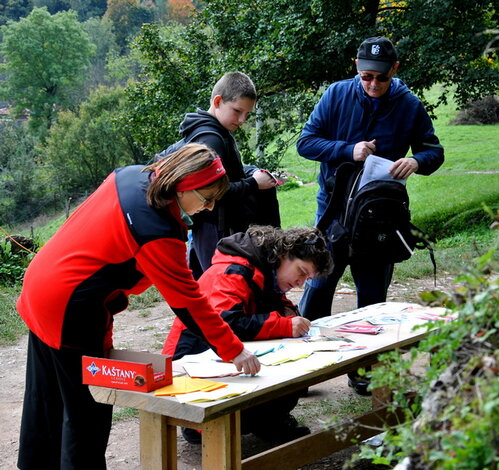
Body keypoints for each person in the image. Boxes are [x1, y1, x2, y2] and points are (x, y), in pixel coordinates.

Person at [16, 143, 261, 470]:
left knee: (44, 396)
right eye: (207, 198)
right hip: (69, 309)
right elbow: (189, 302)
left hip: (41, 284)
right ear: (183, 185)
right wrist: (234, 350)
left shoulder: (131, 176)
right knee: (88, 408)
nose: (210, 207)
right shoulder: (157, 230)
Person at [297, 36, 444, 394]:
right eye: (366, 77)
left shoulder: (409, 105)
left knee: (373, 297)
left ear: (394, 70)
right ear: (356, 69)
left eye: (380, 77)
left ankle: (366, 372)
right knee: (318, 289)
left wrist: (417, 161)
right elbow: (306, 142)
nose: (373, 84)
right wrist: (349, 150)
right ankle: (301, 372)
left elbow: (434, 151)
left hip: (379, 216)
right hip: (333, 212)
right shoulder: (336, 94)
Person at [163, 225, 334, 445]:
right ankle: (200, 427)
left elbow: (263, 300)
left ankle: (268, 422)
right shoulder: (234, 270)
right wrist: (283, 325)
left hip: (220, 356)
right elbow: (227, 324)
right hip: (190, 361)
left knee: (296, 367)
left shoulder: (265, 270)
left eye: (307, 278)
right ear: (283, 254)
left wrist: (286, 310)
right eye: (301, 272)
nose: (301, 283)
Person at [159, 71, 280, 279]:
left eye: (247, 114)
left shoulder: (212, 130)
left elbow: (227, 174)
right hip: (216, 230)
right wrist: (253, 183)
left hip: (208, 229)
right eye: (237, 111)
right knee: (223, 286)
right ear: (217, 101)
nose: (242, 120)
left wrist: (250, 171)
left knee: (205, 284)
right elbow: (215, 192)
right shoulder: (210, 139)